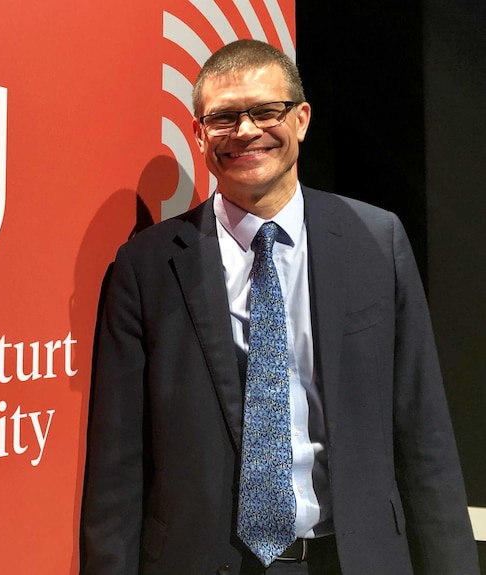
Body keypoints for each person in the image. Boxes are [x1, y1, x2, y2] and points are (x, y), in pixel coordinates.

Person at [79, 39, 478, 574]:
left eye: (266, 111)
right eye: (222, 117)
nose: (245, 131)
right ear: (199, 134)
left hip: (354, 557)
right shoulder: (145, 266)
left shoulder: (376, 240)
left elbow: (423, 428)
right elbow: (117, 464)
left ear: (302, 119)